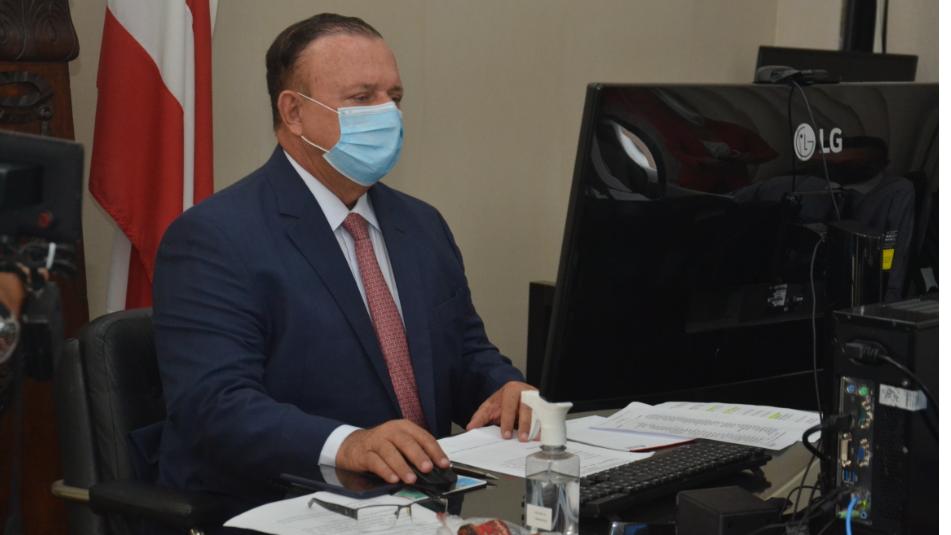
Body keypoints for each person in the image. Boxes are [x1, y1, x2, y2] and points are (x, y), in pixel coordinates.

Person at [147, 13, 535, 503]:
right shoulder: (214, 237)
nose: (387, 113)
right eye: (362, 98)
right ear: (293, 112)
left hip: (425, 502)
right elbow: (214, 405)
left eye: (395, 97)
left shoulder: (421, 224)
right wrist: (346, 445)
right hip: (286, 504)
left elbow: (465, 353)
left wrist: (506, 389)